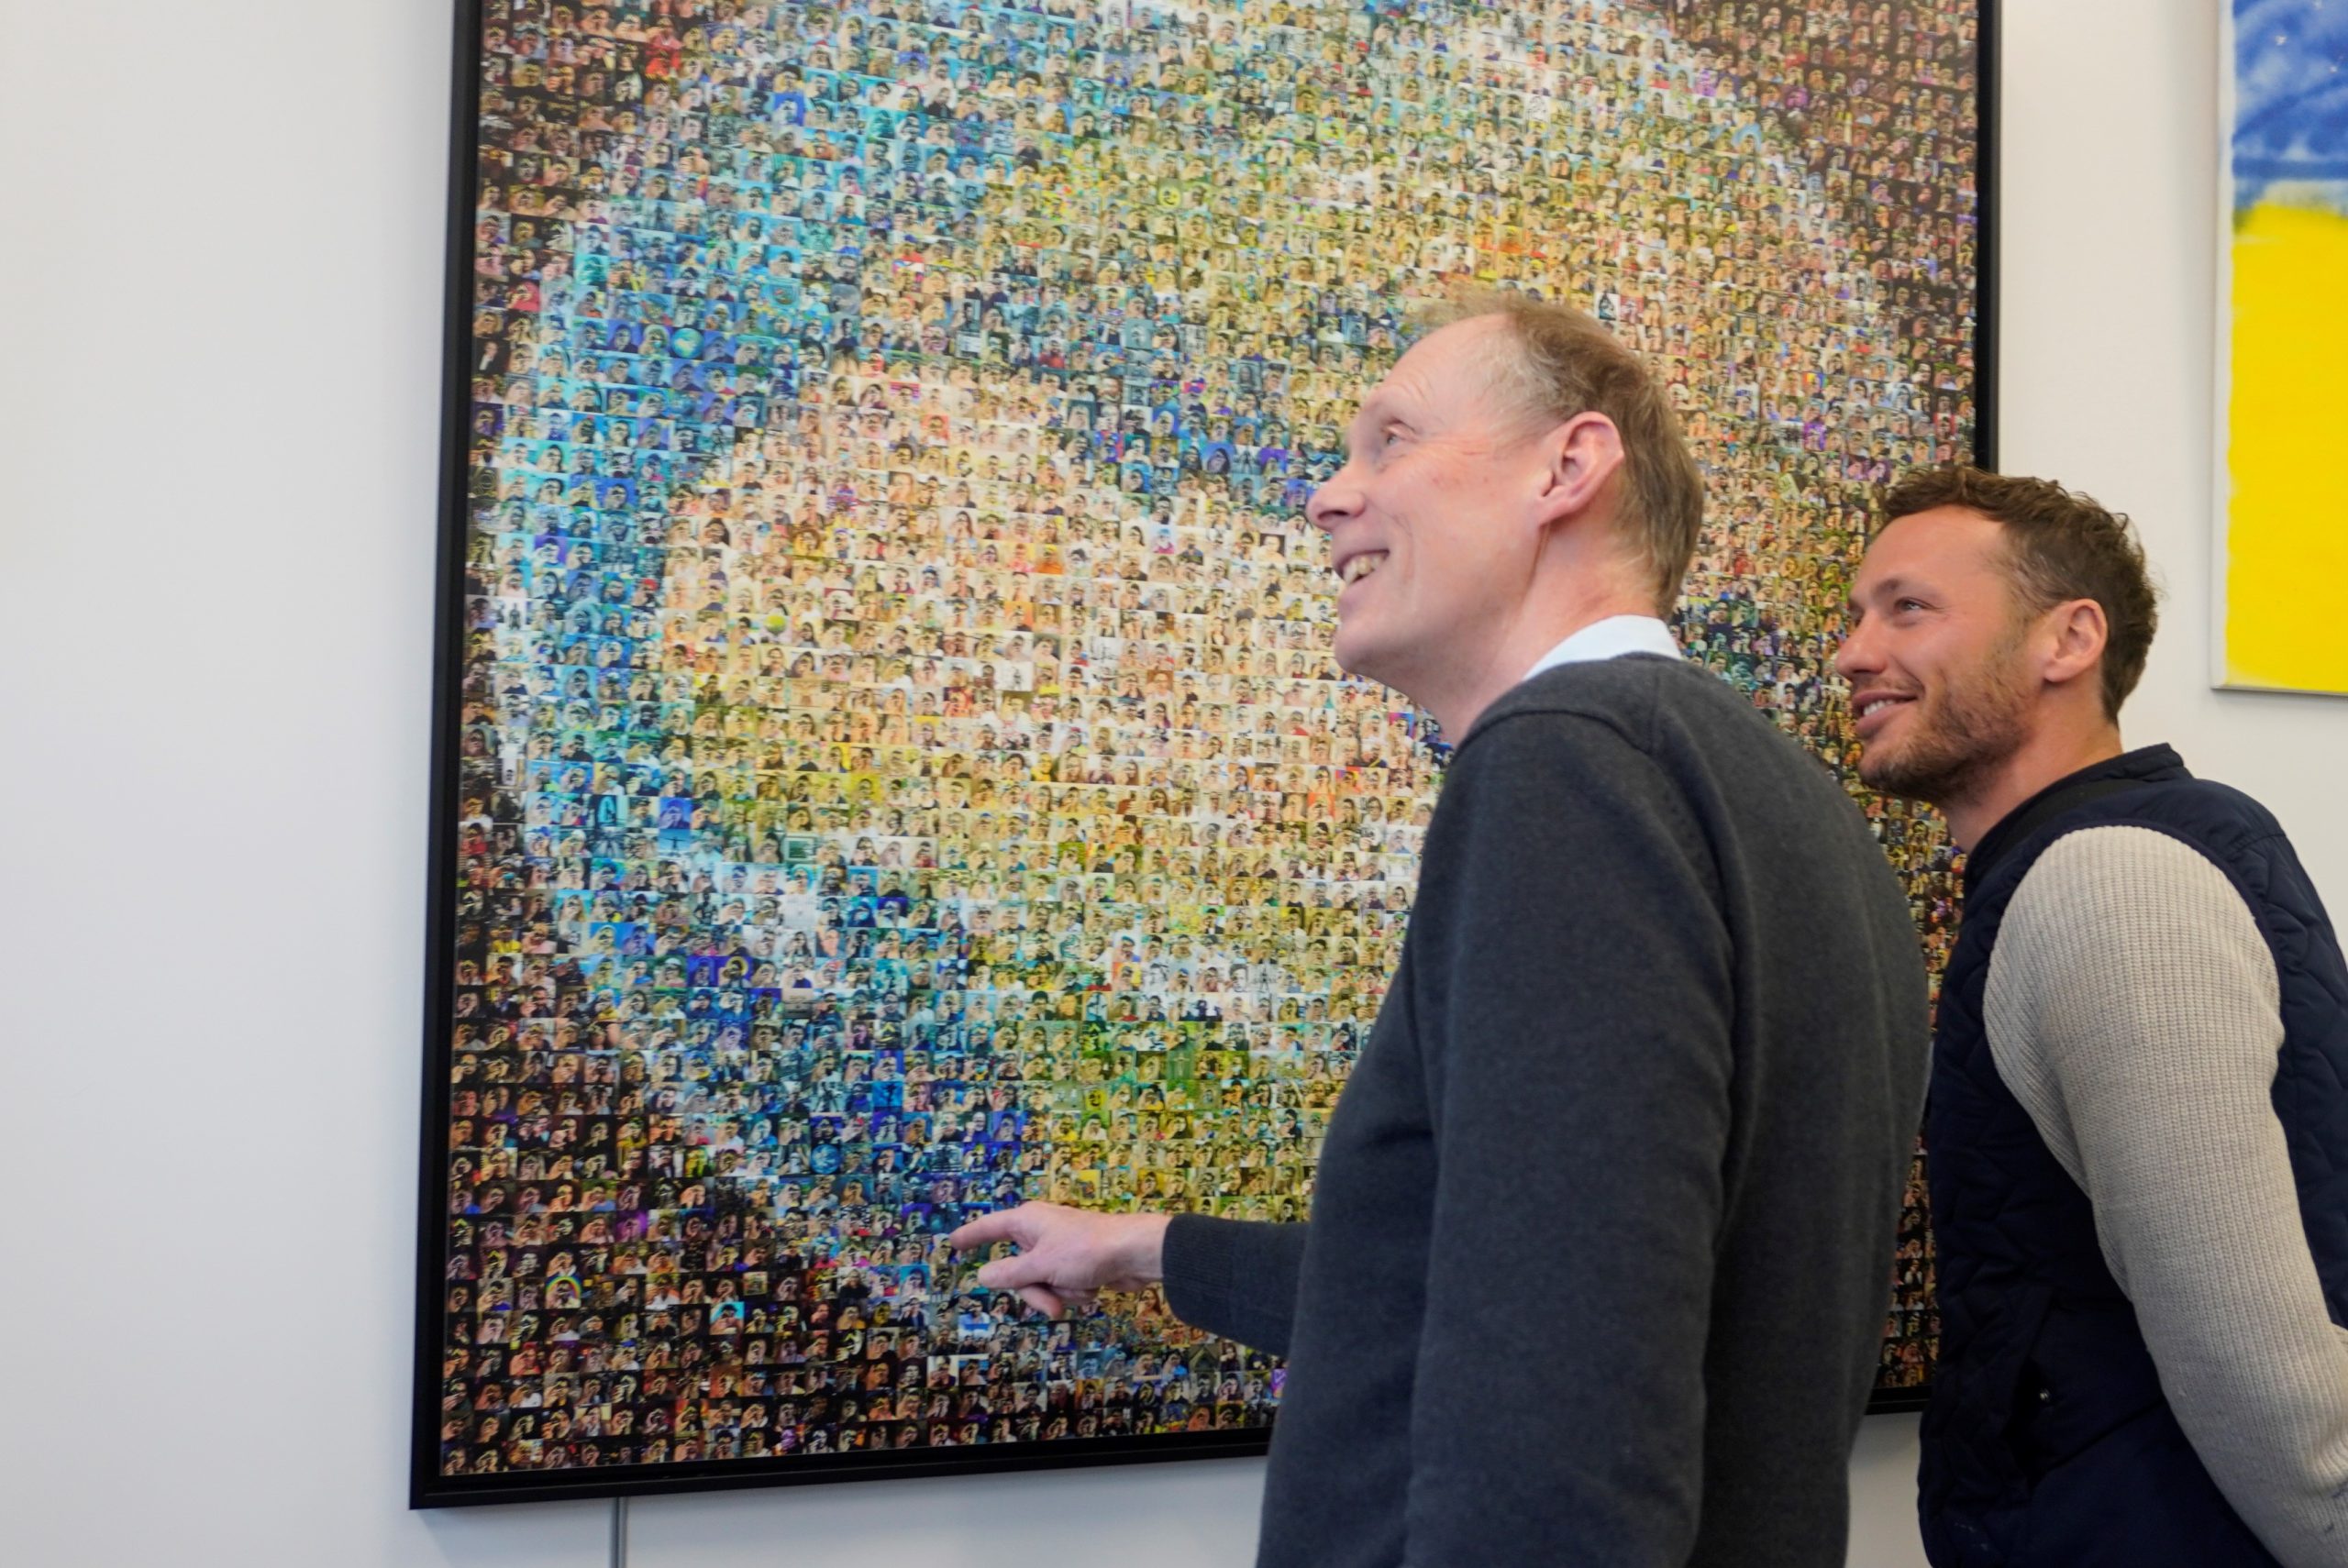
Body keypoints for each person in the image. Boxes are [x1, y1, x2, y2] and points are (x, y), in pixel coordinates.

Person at [951, 289, 1930, 1567]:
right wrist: (1145, 1250)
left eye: (1392, 440)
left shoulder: (1564, 762)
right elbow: (1511, 1274)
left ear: (1566, 469)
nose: (1328, 496)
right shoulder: (1779, 797)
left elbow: (1562, 1414)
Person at [1835, 467, 2348, 1567]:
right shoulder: (2083, 867)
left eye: (1907, 608)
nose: (1852, 653)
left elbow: (2265, 1386)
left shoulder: (2109, 887)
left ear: (2067, 639)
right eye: (1857, 615)